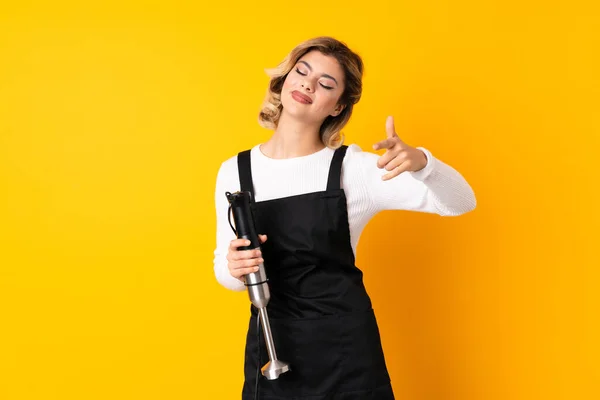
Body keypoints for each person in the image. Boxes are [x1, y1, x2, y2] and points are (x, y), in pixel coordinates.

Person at [213, 36, 476, 400]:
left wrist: (424, 164)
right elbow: (228, 277)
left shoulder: (355, 170)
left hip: (346, 353)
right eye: (301, 71)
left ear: (337, 107)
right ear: (284, 79)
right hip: (273, 346)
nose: (307, 83)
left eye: (325, 84)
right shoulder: (235, 172)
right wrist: (235, 266)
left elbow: (461, 202)